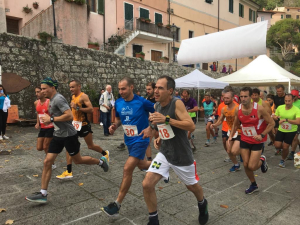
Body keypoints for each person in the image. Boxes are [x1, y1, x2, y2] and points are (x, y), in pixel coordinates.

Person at [25, 77, 108, 203]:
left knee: (78, 160)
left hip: (69, 135)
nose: (42, 91)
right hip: (58, 135)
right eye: (40, 89)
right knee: (47, 161)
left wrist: (51, 120)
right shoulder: (51, 99)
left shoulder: (58, 99)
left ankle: (101, 162)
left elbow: (69, 115)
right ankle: (43, 193)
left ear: (52, 88)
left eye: (44, 89)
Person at [141, 76, 209, 225]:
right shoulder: (156, 105)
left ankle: (202, 203)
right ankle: (154, 220)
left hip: (181, 155)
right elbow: (157, 125)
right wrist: (154, 133)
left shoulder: (176, 103)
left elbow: (190, 125)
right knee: (147, 184)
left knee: (191, 186)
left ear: (170, 91)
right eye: (155, 87)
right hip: (165, 153)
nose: (156, 91)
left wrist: (166, 120)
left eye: (160, 88)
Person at [101, 77, 154, 216]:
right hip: (129, 140)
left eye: (123, 88)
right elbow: (118, 119)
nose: (121, 91)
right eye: (119, 89)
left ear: (131, 87)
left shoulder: (142, 102)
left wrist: (153, 128)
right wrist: (114, 126)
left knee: (127, 168)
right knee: (141, 165)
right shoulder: (118, 103)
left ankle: (117, 205)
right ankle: (164, 165)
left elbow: (158, 111)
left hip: (141, 139)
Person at [56, 80, 110, 179]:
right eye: (70, 87)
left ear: (79, 86)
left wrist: (77, 108)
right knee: (69, 146)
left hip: (84, 125)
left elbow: (90, 109)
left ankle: (105, 153)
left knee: (90, 146)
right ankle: (69, 171)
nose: (71, 89)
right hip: (74, 125)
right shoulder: (73, 97)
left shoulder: (83, 96)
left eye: (73, 87)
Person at [230, 87, 274, 194]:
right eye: (241, 96)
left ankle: (262, 160)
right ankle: (253, 184)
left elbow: (272, 123)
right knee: (245, 164)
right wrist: (231, 137)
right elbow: (236, 124)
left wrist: (262, 134)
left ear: (250, 97)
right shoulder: (238, 109)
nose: (243, 99)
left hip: (257, 140)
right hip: (244, 139)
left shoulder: (259, 108)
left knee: (252, 166)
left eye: (246, 96)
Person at [212, 89, 241, 172]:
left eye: (227, 98)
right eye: (224, 98)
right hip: (230, 131)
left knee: (234, 151)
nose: (225, 100)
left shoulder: (237, 108)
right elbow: (220, 120)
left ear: (232, 98)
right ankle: (236, 164)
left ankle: (246, 151)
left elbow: (237, 123)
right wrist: (215, 125)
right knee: (229, 151)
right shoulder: (223, 109)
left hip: (239, 132)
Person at [273, 94, 300, 168]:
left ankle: (282, 159)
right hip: (281, 129)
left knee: (285, 147)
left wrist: (286, 120)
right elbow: (275, 116)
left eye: (289, 101)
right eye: (286, 101)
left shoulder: (296, 109)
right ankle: (286, 150)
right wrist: (275, 117)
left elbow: (298, 121)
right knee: (277, 145)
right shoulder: (280, 107)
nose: (287, 102)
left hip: (291, 131)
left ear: (292, 100)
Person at [34, 87, 56, 170]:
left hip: (50, 126)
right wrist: (37, 122)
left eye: (38, 92)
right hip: (42, 127)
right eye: (36, 92)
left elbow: (54, 113)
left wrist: (51, 120)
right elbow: (38, 113)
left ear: (43, 92)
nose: (37, 94)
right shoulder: (36, 103)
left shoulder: (49, 102)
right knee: (39, 147)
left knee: (46, 146)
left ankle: (51, 163)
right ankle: (52, 151)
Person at [273, 84, 286, 155]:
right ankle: (279, 148)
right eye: (277, 91)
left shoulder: (286, 97)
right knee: (276, 132)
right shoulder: (275, 97)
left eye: (280, 91)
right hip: (277, 117)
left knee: (283, 132)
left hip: (284, 117)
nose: (279, 93)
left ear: (283, 90)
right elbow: (274, 106)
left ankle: (284, 146)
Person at [145, 82, 156, 161]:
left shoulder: (158, 98)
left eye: (149, 89)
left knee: (163, 143)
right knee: (147, 142)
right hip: (151, 124)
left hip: (160, 123)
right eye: (147, 89)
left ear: (154, 89)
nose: (147, 91)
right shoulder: (146, 99)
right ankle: (149, 161)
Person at [289, 89, 300, 160]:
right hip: (290, 122)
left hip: (298, 122)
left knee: (295, 137)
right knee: (292, 138)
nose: (293, 97)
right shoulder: (289, 102)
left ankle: (292, 152)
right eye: (292, 96)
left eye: (294, 96)